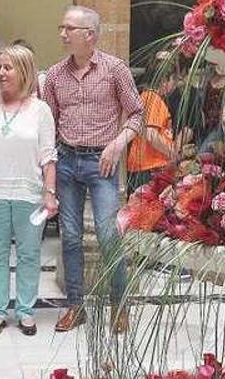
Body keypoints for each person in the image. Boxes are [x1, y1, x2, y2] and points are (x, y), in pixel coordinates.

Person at [41, 5, 143, 334]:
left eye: (68, 28)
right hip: (67, 160)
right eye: (61, 27)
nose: (62, 34)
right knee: (69, 237)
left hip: (103, 161)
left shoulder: (115, 70)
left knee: (108, 234)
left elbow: (137, 115)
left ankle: (120, 305)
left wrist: (118, 143)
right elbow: (50, 125)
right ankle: (75, 306)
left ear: (90, 35)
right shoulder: (55, 75)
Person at [0, 44, 58, 336]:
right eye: (0, 67)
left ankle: (26, 311)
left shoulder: (41, 110)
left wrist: (50, 193)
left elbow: (48, 156)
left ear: (24, 71)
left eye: (8, 67)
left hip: (30, 195)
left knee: (29, 255)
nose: (1, 73)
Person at [127, 57, 180, 192]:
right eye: (174, 80)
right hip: (150, 168)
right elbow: (151, 134)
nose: (175, 85)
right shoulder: (153, 99)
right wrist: (173, 152)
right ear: (164, 81)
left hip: (146, 167)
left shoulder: (147, 97)